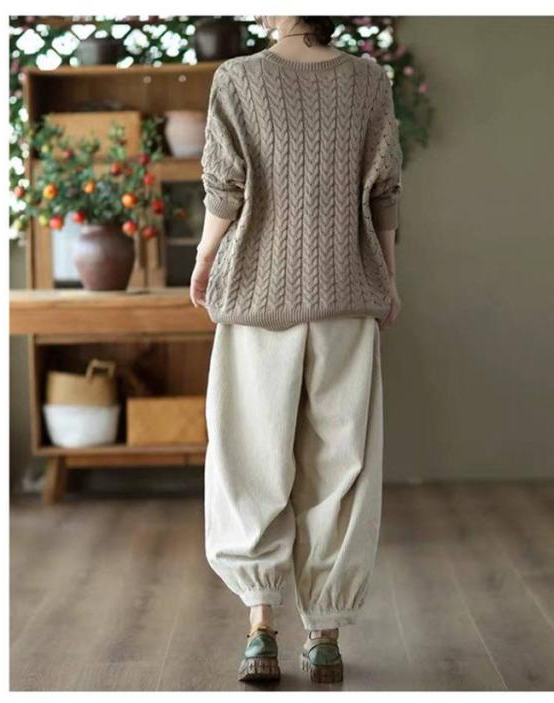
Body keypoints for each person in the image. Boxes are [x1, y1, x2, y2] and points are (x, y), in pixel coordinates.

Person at [190, 15, 403, 685]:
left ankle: (262, 630)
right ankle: (325, 636)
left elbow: (225, 187)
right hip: (347, 296)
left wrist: (204, 259)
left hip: (256, 299)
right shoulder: (368, 80)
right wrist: (388, 280)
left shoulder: (239, 78)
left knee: (250, 459)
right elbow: (385, 192)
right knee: (341, 465)